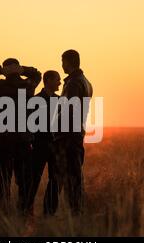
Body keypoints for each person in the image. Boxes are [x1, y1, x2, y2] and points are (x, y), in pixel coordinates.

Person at [0, 58, 41, 216]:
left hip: (4, 139)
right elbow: (37, 74)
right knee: (24, 179)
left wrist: (0, 70)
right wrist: (22, 69)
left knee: (4, 178)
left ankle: (3, 211)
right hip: (24, 139)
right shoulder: (28, 86)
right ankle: (25, 211)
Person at [53, 50, 93, 215]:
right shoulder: (85, 81)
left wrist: (55, 128)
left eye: (63, 61)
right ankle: (76, 212)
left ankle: (74, 213)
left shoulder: (74, 83)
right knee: (75, 174)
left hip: (68, 136)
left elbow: (70, 109)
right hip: (76, 133)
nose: (62, 65)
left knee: (70, 177)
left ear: (69, 61)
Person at [29, 70, 61, 216]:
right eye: (57, 80)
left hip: (56, 147)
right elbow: (28, 124)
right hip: (39, 146)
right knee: (33, 179)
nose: (60, 83)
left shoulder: (61, 101)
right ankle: (26, 210)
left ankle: (49, 213)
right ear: (48, 80)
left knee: (55, 179)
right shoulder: (34, 100)